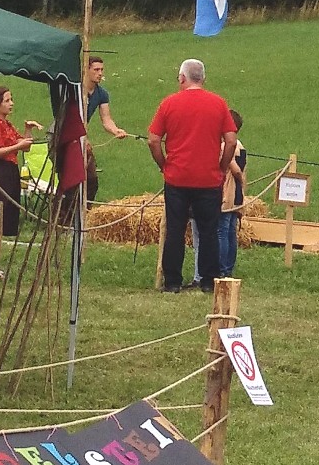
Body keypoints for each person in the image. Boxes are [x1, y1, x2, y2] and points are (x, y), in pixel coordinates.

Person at [147, 59, 234, 293]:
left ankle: (172, 281)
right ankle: (208, 280)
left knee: (175, 229)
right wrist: (222, 167)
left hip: (177, 177)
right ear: (203, 78)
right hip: (208, 178)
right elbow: (231, 140)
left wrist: (164, 165)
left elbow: (153, 140)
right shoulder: (218, 103)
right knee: (208, 231)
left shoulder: (169, 103)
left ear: (182, 78)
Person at [0, 86, 39, 282]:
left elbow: (25, 147)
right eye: (7, 100)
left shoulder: (7, 125)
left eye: (11, 99)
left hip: (10, 172)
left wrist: (28, 131)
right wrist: (17, 146)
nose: (11, 104)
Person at [82, 55, 131, 201]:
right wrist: (83, 139)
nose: (100, 73)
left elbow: (106, 119)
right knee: (72, 182)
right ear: (86, 70)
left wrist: (116, 130)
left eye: (102, 70)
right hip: (66, 136)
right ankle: (65, 212)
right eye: (96, 70)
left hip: (82, 138)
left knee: (91, 180)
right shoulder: (76, 91)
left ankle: (86, 210)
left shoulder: (101, 94)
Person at [214, 110, 247, 278]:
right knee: (230, 231)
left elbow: (235, 169)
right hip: (237, 194)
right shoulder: (241, 145)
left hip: (228, 192)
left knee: (222, 230)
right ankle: (228, 268)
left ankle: (222, 269)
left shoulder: (226, 146)